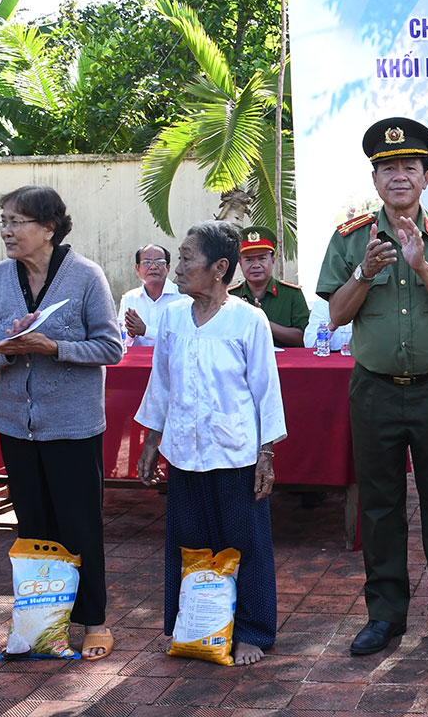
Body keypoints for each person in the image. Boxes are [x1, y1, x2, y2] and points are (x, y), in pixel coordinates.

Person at [317, 117, 428, 656]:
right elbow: (336, 315)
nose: (400, 176)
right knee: (380, 507)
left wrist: (422, 267)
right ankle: (385, 615)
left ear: (426, 177)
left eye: (410, 166)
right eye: (388, 168)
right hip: (375, 391)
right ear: (375, 179)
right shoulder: (351, 240)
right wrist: (363, 273)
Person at [0, 185, 123, 660]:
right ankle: (42, 625)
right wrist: (6, 350)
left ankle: (94, 622)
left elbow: (110, 347)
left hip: (73, 426)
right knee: (32, 528)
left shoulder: (86, 276)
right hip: (16, 424)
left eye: (17, 222)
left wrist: (53, 347)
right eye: (4, 222)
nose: (7, 231)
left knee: (80, 526)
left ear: (49, 228)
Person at [136, 221, 286, 666]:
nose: (177, 268)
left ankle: (251, 631)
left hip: (235, 452)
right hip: (184, 451)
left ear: (219, 268)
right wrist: (151, 442)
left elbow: (266, 391)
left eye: (186, 259)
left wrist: (266, 455)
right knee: (189, 543)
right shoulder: (173, 316)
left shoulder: (248, 319)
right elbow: (160, 384)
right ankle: (196, 627)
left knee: (244, 544)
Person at [230, 227, 309, 347]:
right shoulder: (231, 297)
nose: (256, 265)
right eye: (249, 260)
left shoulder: (292, 294)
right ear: (240, 264)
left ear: (272, 261)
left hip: (283, 358)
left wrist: (262, 321)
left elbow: (306, 338)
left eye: (262, 258)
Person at [118, 244, 181, 347]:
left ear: (168, 268)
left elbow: (182, 340)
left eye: (159, 262)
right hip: (137, 357)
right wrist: (131, 334)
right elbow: (121, 341)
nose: (153, 267)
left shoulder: (182, 297)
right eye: (147, 262)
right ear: (137, 268)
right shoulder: (129, 298)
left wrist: (146, 331)